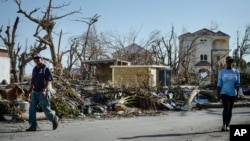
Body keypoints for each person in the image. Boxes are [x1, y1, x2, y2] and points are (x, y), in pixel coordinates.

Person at [26, 53, 59, 131]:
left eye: (39, 58)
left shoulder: (45, 68)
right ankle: (33, 125)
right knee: (32, 109)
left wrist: (44, 90)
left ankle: (54, 119)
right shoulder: (34, 69)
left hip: (43, 92)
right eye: (36, 58)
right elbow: (32, 82)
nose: (37, 59)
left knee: (46, 109)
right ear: (34, 60)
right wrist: (29, 92)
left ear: (41, 59)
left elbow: (48, 81)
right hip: (35, 92)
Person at [217, 56, 240, 131]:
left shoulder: (236, 72)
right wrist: (218, 93)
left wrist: (237, 94)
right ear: (226, 62)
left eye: (231, 61)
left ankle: (227, 125)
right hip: (224, 92)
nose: (230, 63)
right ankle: (223, 125)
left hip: (233, 93)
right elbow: (219, 83)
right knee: (226, 108)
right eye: (228, 61)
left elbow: (237, 83)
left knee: (230, 109)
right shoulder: (222, 72)